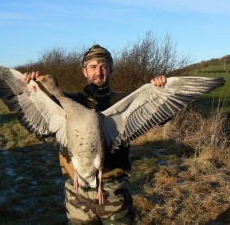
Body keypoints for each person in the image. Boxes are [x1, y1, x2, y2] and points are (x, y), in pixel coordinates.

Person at [24, 44, 166, 224]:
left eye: (103, 66)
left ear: (111, 70)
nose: (98, 72)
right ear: (84, 71)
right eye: (92, 67)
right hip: (77, 191)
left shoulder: (122, 100)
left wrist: (161, 89)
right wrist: (30, 84)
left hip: (113, 189)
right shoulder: (68, 101)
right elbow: (39, 105)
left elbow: (161, 116)